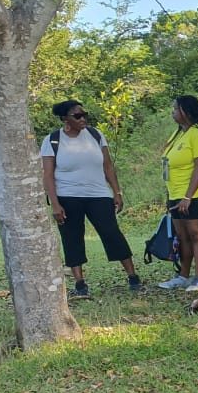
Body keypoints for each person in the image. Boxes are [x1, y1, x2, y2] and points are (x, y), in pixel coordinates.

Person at [40, 100, 140, 297]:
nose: (83, 118)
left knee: (112, 233)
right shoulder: (52, 140)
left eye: (84, 114)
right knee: (72, 238)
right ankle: (80, 283)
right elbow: (48, 175)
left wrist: (117, 192)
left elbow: (108, 166)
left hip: (98, 194)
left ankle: (133, 276)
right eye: (77, 116)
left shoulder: (95, 135)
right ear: (65, 119)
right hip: (68, 196)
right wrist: (55, 204)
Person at [158, 94, 198, 291]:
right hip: (175, 193)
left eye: (176, 109)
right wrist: (170, 195)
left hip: (194, 194)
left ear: (186, 111)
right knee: (182, 236)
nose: (172, 112)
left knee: (196, 233)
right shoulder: (178, 134)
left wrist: (187, 196)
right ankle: (183, 275)